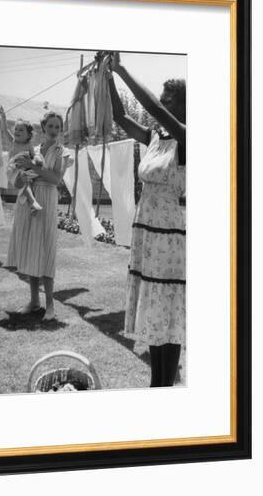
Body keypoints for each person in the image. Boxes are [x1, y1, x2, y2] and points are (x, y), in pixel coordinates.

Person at [108, 52, 186, 387]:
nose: (161, 105)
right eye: (163, 98)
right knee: (155, 310)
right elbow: (120, 116)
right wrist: (107, 76)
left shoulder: (187, 138)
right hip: (148, 236)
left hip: (170, 238)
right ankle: (160, 382)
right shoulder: (156, 140)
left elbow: (152, 108)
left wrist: (122, 68)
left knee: (166, 309)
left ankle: (163, 383)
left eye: (169, 101)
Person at [6, 110, 72, 320]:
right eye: (50, 126)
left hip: (48, 198)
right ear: (43, 128)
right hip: (29, 199)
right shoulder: (31, 149)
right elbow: (17, 181)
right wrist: (20, 173)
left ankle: (50, 306)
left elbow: (54, 179)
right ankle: (34, 301)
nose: (54, 130)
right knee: (31, 249)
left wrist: (32, 166)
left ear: (61, 130)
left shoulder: (63, 152)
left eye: (57, 127)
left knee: (46, 249)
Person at [0, 106, 43, 215]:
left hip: (24, 170)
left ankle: (32, 205)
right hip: (13, 170)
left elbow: (34, 155)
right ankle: (32, 202)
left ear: (28, 135)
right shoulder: (13, 142)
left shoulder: (29, 145)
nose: (17, 131)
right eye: (16, 129)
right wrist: (3, 117)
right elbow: (4, 129)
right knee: (25, 181)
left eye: (21, 130)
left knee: (28, 184)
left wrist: (37, 159)